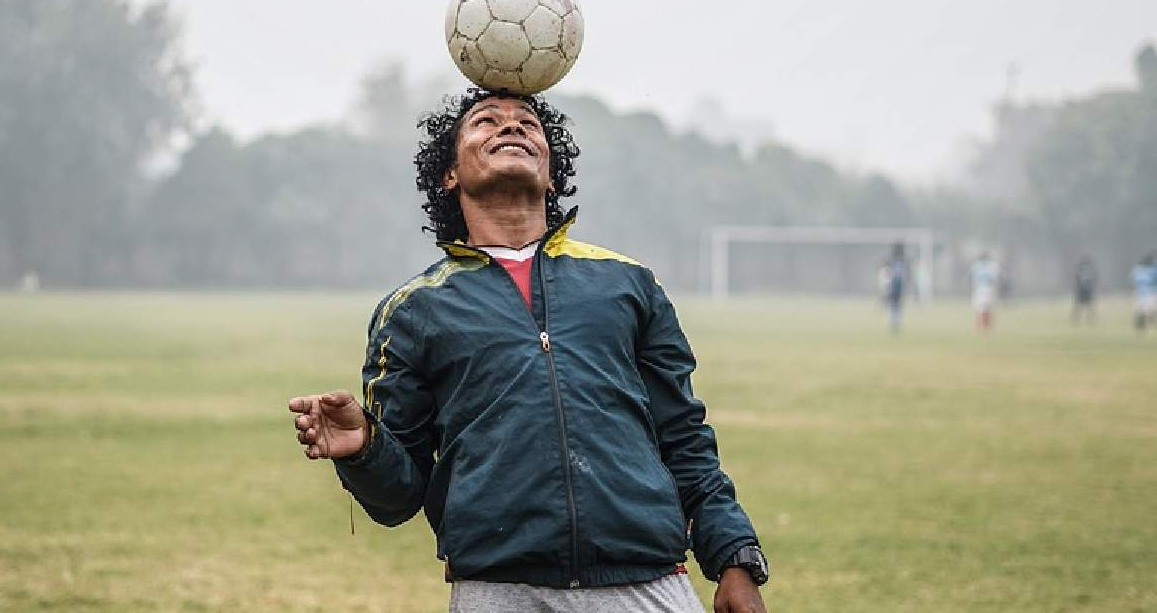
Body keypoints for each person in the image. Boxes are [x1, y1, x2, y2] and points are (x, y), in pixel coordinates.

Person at [288, 90, 768, 613]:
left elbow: (685, 440)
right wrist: (364, 448)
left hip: (646, 582)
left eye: (528, 123)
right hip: (497, 591)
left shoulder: (628, 284)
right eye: (486, 121)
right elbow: (397, 499)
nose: (511, 128)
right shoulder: (412, 310)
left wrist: (734, 558)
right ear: (449, 174)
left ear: (551, 173)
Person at [881, 242, 909, 334]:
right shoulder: (903, 261)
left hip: (894, 286)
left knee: (893, 306)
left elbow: (888, 273)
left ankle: (894, 323)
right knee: (897, 306)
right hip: (898, 286)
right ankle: (896, 323)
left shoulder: (892, 261)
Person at [970, 252, 1001, 332]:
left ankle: (980, 327)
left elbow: (972, 278)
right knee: (988, 309)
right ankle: (987, 326)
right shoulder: (993, 266)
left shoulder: (976, 266)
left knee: (980, 309)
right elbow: (996, 279)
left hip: (980, 289)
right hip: (989, 289)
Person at [1132, 252, 1157, 333]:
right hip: (1149, 293)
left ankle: (1141, 327)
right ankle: (1142, 327)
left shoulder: (1137, 270)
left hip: (1141, 293)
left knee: (1141, 310)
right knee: (1145, 310)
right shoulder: (1152, 270)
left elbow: (1134, 280)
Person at [1070, 256, 1097, 326]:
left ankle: (1086, 320)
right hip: (1083, 291)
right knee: (1083, 307)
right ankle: (1083, 320)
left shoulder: (1081, 270)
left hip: (1084, 291)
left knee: (1083, 307)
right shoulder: (1088, 270)